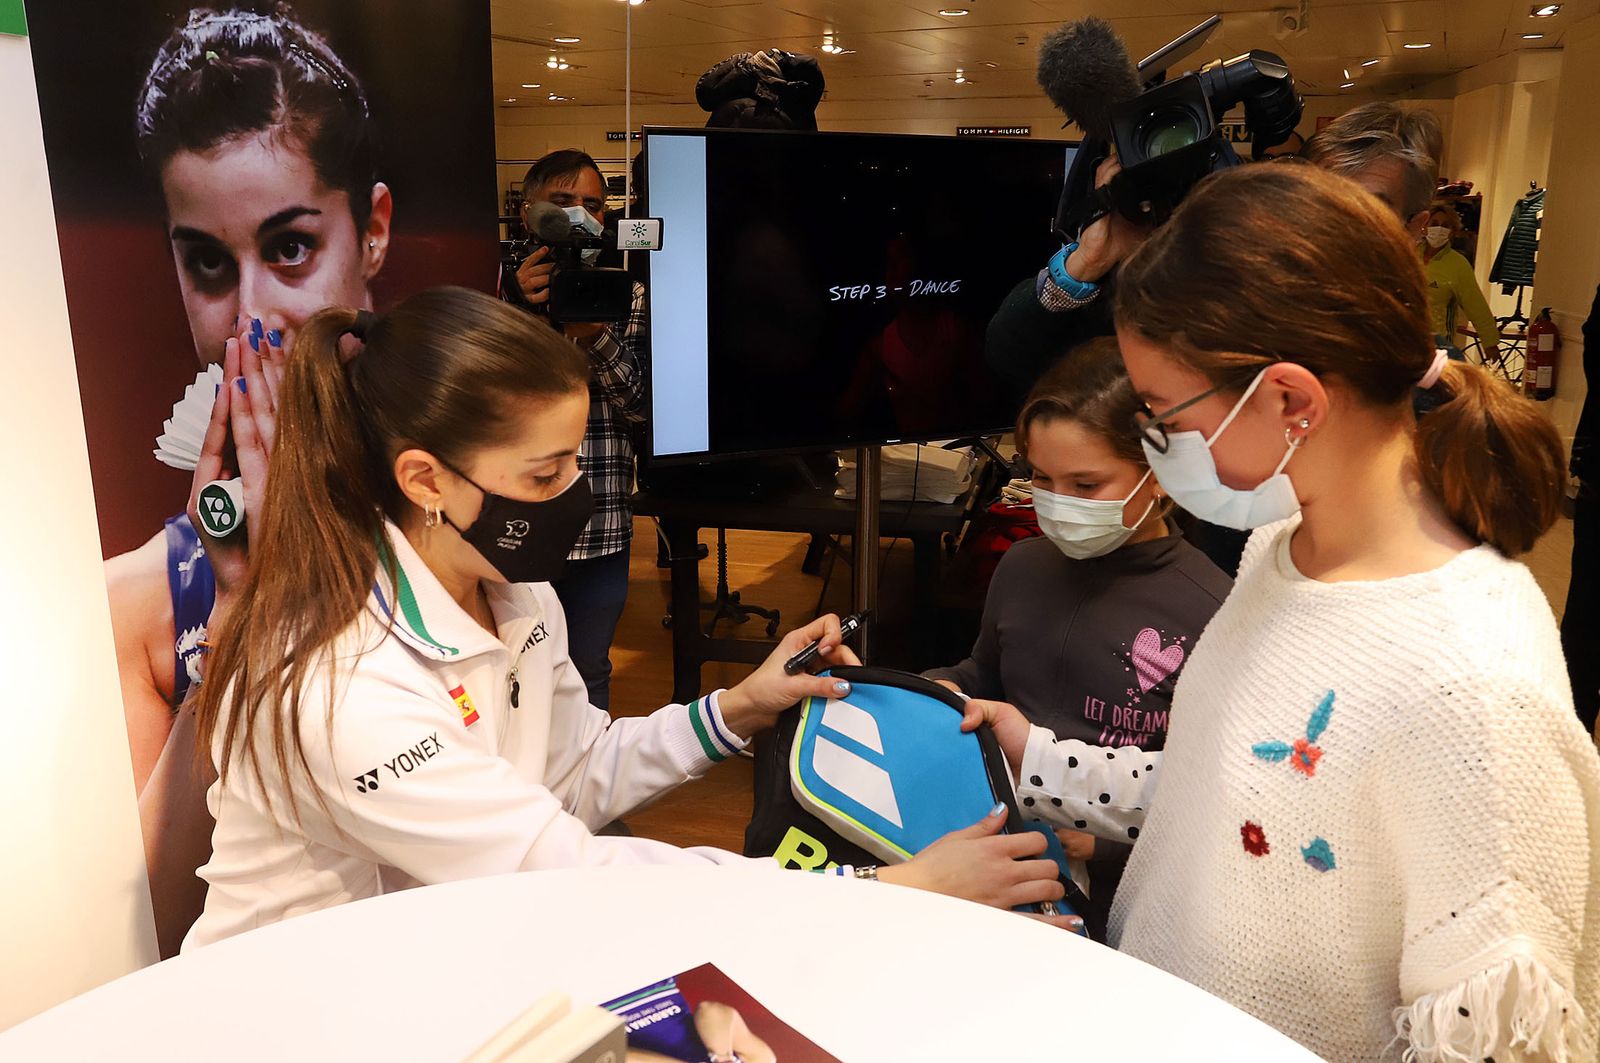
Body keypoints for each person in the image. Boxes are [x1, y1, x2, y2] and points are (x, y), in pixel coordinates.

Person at [183, 287, 1073, 950]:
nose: (578, 492)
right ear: (425, 480)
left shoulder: (509, 588)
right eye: (544, 474)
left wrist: (738, 710)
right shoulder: (340, 682)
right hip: (299, 1007)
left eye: (577, 460)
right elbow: (564, 869)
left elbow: (572, 773)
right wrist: (882, 888)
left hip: (441, 954)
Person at [967, 163, 1599, 1061]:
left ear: (1292, 400)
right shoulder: (1281, 549)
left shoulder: (1475, 689)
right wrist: (1041, 757)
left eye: (1159, 416)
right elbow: (1222, 792)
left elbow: (1506, 1033)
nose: (1155, 445)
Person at [102, 2, 391, 956]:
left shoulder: (466, 510)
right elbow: (150, 925)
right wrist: (237, 613)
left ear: (373, 231)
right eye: (209, 265)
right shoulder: (144, 604)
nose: (253, 317)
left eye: (290, 247)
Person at [923, 338, 1231, 940]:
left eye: (1087, 485)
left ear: (1164, 477)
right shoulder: (1021, 567)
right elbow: (982, 674)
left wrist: (1103, 845)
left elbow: (1211, 794)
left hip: (1128, 904)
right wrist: (913, 692)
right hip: (992, 861)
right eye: (1041, 477)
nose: (1059, 503)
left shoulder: (1214, 609)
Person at [507, 149, 642, 711]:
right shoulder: (496, 300)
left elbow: (642, 406)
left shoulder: (626, 298)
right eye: (562, 202)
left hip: (601, 521)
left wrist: (593, 334)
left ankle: (585, 798)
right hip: (512, 524)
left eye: (593, 204)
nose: (579, 215)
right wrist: (518, 312)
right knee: (510, 673)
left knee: (589, 674)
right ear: (528, 212)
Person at [1422, 203, 1501, 360]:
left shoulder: (1457, 264)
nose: (1439, 229)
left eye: (1445, 225)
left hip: (1438, 345)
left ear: (1452, 232)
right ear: (1424, 226)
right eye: (1434, 224)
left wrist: (1490, 342)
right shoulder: (1409, 254)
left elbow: (1475, 304)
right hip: (1404, 340)